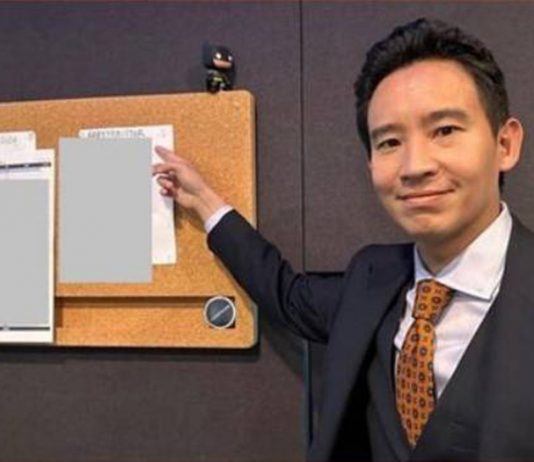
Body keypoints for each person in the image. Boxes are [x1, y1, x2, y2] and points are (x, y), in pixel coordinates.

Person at [153, 17, 534, 461]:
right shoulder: (371, 278)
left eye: (444, 130)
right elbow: (287, 295)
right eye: (389, 142)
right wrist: (204, 201)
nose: (415, 166)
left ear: (505, 144)